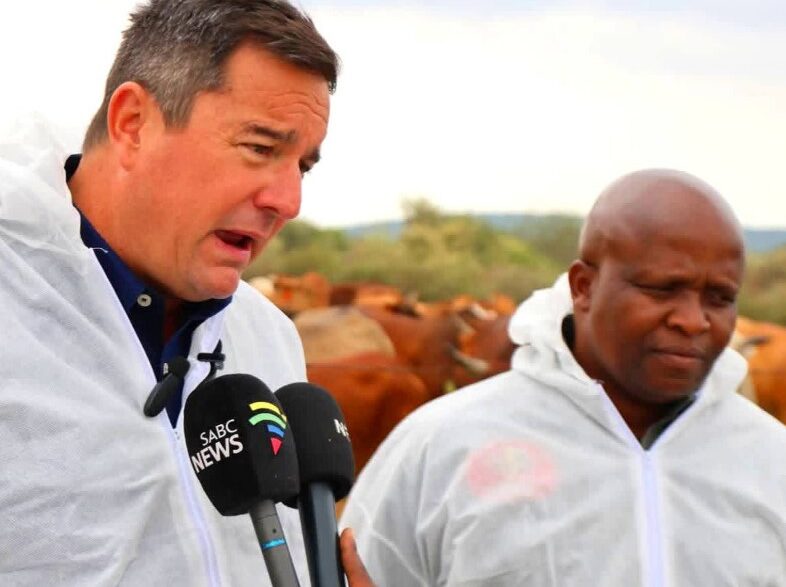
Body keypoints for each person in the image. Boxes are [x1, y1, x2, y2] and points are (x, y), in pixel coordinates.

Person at [0, 0, 373, 584]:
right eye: (259, 147)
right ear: (133, 124)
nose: (288, 201)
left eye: (302, 165)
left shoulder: (270, 335)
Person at [340, 169, 786, 585]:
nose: (693, 320)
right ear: (583, 287)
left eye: (720, 297)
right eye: (661, 289)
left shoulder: (770, 459)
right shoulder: (441, 444)